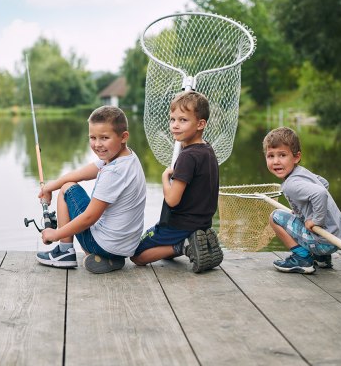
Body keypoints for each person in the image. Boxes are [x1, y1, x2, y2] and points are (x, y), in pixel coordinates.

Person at [36, 106, 146, 274]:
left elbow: (89, 218)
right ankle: (110, 259)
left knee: (67, 189)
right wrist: (49, 187)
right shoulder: (125, 156)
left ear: (123, 137)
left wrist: (55, 234)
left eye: (104, 138)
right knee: (67, 183)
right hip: (125, 246)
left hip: (104, 244)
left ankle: (65, 252)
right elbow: (80, 174)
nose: (97, 144)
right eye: (92, 137)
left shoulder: (113, 172)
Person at [130, 91, 222, 273]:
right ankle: (194, 240)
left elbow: (172, 200)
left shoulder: (188, 157)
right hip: (203, 222)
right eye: (172, 120)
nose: (175, 126)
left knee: (136, 254)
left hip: (179, 224)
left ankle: (185, 246)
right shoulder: (207, 149)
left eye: (183, 120)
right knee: (160, 251)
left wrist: (165, 177)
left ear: (201, 124)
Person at [264, 127, 341, 274]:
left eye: (282, 155)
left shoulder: (291, 184)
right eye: (271, 156)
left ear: (296, 157)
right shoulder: (303, 172)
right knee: (299, 217)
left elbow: (321, 193)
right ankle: (322, 259)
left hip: (323, 241)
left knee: (275, 217)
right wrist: (304, 212)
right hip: (337, 237)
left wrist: (317, 220)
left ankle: (302, 259)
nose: (276, 161)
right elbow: (324, 183)